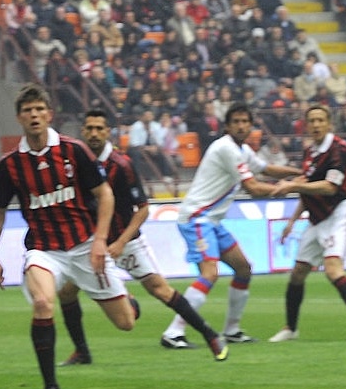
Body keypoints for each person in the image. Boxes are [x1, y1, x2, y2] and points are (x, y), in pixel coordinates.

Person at [0, 84, 139, 389]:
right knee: (43, 302)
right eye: (28, 111)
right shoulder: (10, 165)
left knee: (126, 323)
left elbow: (105, 194)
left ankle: (127, 299)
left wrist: (99, 240)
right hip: (44, 250)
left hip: (84, 247)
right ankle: (50, 388)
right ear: (19, 118)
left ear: (49, 114)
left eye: (39, 109)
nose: (34, 115)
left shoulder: (73, 151)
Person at [57, 110, 229, 365]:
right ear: (83, 131)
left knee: (160, 290)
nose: (94, 133)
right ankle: (82, 350)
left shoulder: (121, 165)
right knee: (66, 293)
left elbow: (143, 209)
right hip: (93, 244)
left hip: (127, 242)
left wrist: (121, 243)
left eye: (99, 129)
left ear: (108, 132)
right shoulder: (77, 165)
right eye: (89, 128)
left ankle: (210, 335)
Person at [159, 102, 302, 348]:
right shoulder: (227, 149)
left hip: (211, 220)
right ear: (227, 126)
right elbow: (253, 187)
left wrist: (300, 172)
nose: (241, 125)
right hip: (196, 218)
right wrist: (294, 186)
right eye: (236, 121)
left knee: (243, 268)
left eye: (245, 121)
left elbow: (266, 168)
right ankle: (173, 332)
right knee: (210, 273)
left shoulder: (242, 149)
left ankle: (232, 330)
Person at [268, 104, 346, 343]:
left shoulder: (339, 148)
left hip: (338, 212)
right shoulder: (310, 151)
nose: (316, 124)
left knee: (332, 269)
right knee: (298, 273)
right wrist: (292, 222)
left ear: (329, 123)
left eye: (320, 120)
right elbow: (307, 190)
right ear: (306, 125)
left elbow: (330, 187)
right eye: (312, 121)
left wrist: (293, 185)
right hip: (316, 218)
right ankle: (290, 328)